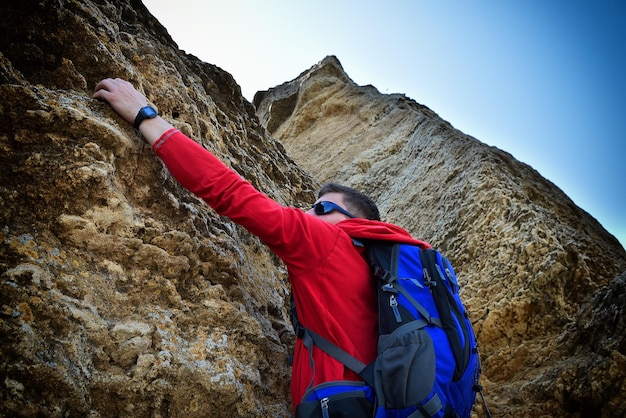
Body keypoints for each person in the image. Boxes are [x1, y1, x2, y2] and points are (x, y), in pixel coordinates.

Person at [92, 78, 429, 412]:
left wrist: (144, 115)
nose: (305, 211)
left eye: (321, 208)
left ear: (352, 222)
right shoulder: (377, 276)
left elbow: (229, 191)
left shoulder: (327, 243)